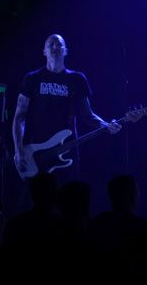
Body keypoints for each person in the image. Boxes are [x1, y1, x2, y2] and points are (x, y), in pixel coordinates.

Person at [11, 34, 120, 181]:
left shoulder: (77, 79)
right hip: (37, 154)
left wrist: (105, 124)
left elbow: (88, 115)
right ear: (44, 51)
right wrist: (19, 150)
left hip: (67, 151)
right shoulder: (32, 78)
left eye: (59, 44)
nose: (55, 47)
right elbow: (19, 117)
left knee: (69, 199)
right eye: (51, 45)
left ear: (66, 51)